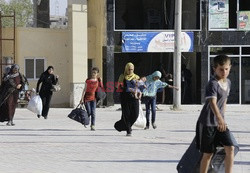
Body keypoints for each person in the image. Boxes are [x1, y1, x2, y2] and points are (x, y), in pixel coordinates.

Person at [196, 55, 234, 173]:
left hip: (220, 123)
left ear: (230, 68)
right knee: (208, 154)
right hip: (208, 123)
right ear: (214, 69)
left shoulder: (228, 82)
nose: (224, 72)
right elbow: (212, 103)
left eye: (226, 69)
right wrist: (219, 119)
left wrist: (223, 118)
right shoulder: (212, 83)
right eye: (221, 69)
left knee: (230, 148)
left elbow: (224, 102)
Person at [114, 62, 140, 136]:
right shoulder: (122, 76)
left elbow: (139, 87)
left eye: (131, 69)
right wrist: (122, 87)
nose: (130, 71)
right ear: (126, 69)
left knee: (135, 114)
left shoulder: (136, 77)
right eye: (129, 69)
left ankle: (123, 125)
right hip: (125, 98)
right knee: (126, 114)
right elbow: (117, 87)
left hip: (134, 98)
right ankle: (128, 129)